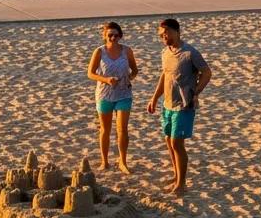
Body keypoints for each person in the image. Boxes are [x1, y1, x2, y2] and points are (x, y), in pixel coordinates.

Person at [147, 18, 211, 197]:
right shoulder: (165, 53)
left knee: (177, 143)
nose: (163, 36)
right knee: (169, 141)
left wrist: (197, 91)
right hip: (167, 104)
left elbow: (207, 72)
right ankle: (177, 176)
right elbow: (164, 76)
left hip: (184, 105)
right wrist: (154, 98)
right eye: (161, 35)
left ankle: (182, 184)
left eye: (166, 32)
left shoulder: (190, 53)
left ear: (177, 31)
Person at [86, 22, 139, 173]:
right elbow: (90, 73)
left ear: (120, 36)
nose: (113, 38)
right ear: (105, 36)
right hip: (105, 94)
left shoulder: (127, 51)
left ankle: (123, 161)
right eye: (110, 35)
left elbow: (134, 70)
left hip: (124, 93)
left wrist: (130, 77)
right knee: (105, 129)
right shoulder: (99, 52)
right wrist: (106, 80)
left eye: (116, 35)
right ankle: (105, 161)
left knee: (122, 129)